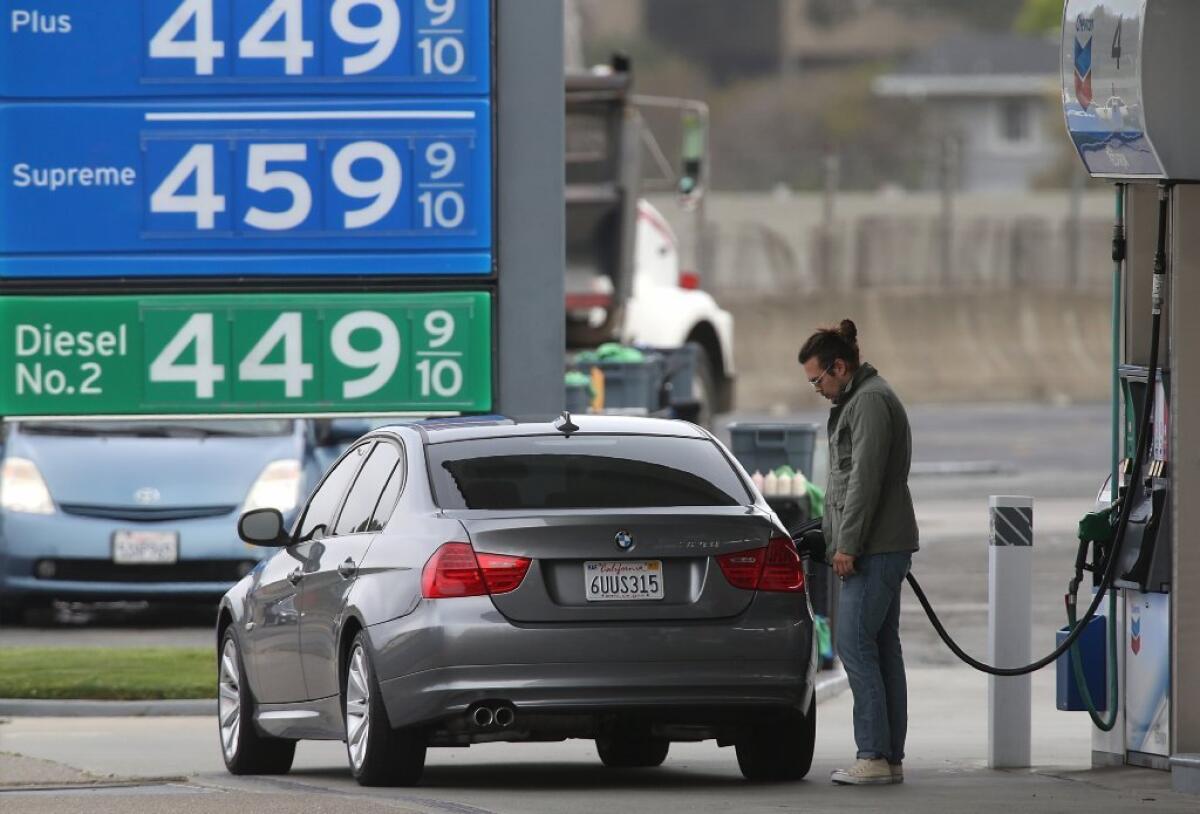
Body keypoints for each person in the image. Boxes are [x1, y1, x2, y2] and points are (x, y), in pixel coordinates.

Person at [798, 319, 919, 786]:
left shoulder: (868, 403)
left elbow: (863, 482)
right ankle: (888, 757)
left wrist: (845, 545)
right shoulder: (862, 399)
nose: (817, 389)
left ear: (840, 366)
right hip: (884, 543)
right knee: (882, 648)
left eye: (818, 379)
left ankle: (872, 755)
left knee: (853, 645)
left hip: (873, 547)